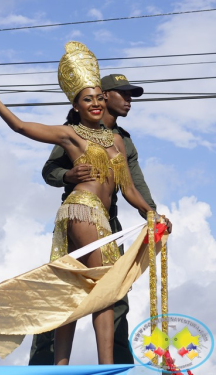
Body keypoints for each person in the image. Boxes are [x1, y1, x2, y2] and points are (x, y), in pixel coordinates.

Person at [0, 41, 160, 365]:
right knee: (106, 284)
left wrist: (153, 214)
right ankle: (105, 367)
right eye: (87, 99)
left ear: (104, 102)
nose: (95, 103)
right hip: (83, 209)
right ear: (76, 106)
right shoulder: (70, 134)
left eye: (98, 98)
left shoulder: (118, 140)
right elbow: (21, 128)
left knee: (69, 289)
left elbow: (131, 189)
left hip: (104, 216)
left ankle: (60, 366)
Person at [29, 74, 169, 365]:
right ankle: (46, 367)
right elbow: (49, 170)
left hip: (110, 224)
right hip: (81, 218)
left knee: (115, 296)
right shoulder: (76, 131)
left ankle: (114, 367)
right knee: (64, 292)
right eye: (124, 94)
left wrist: (151, 213)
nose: (129, 101)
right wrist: (67, 175)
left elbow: (134, 184)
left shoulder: (122, 140)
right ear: (105, 95)